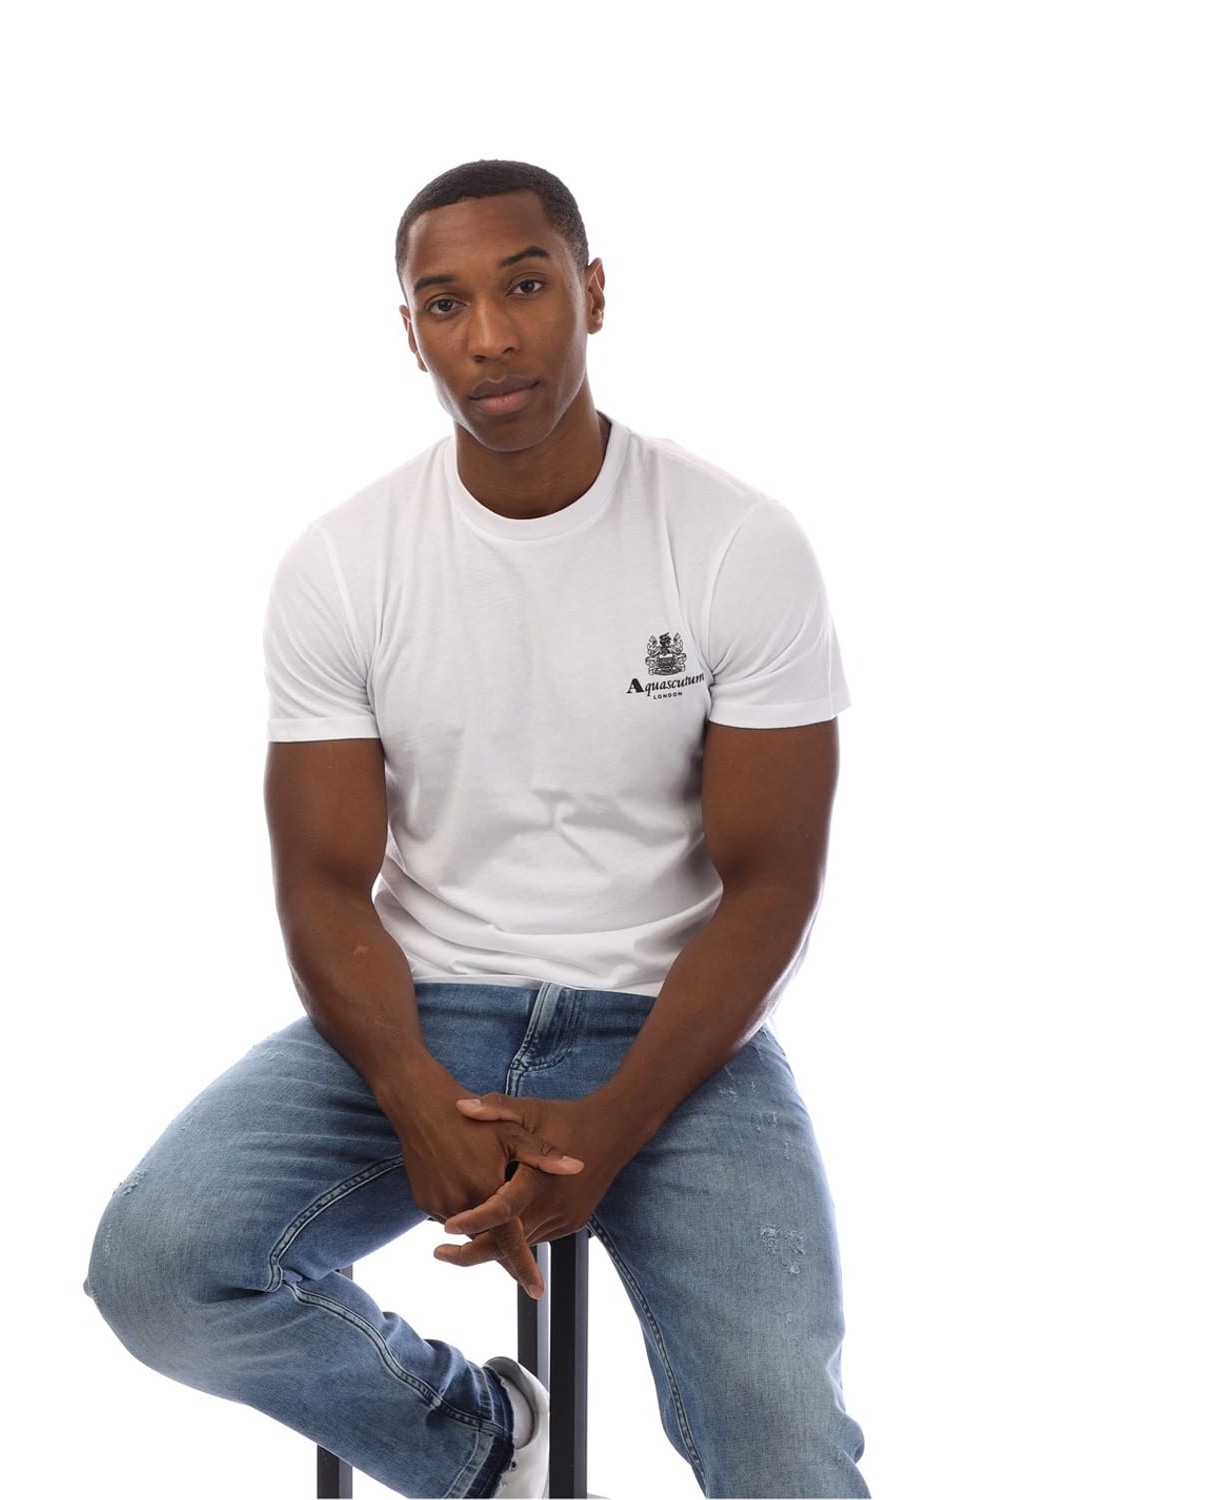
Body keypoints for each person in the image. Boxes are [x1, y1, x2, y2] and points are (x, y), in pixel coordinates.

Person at [85, 159, 869, 1499]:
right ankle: (478, 1442)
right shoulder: (347, 563)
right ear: (411, 333)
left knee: (786, 1444)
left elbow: (771, 888)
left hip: (677, 1029)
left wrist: (613, 1124)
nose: (490, 336)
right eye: (445, 304)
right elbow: (322, 884)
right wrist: (408, 1090)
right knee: (160, 1270)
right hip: (425, 1007)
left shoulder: (736, 544)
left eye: (526, 287)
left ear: (592, 293)